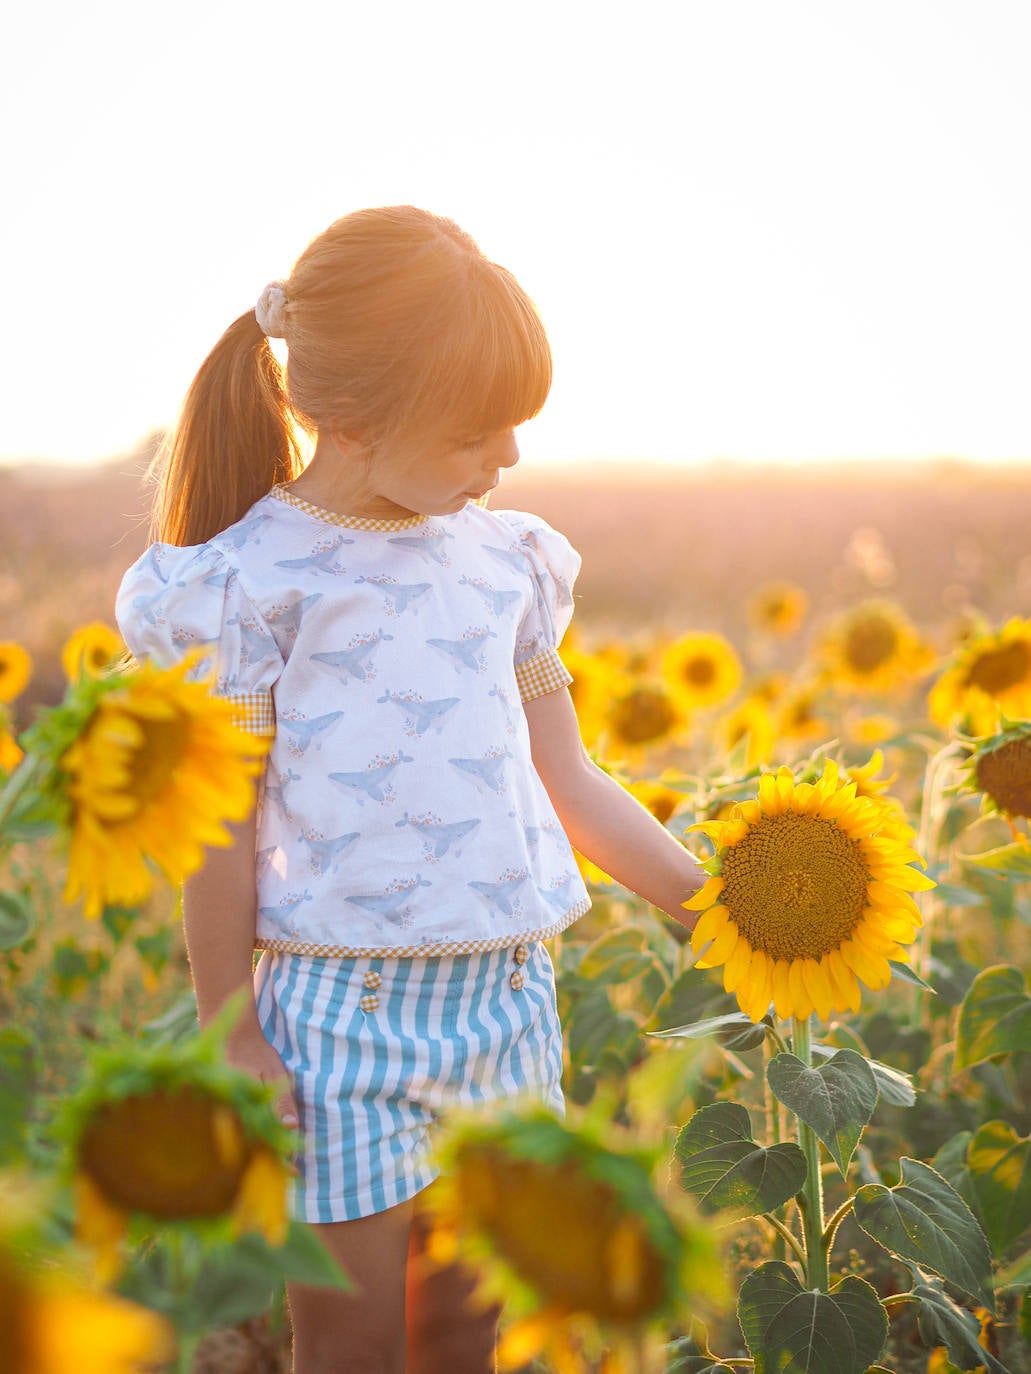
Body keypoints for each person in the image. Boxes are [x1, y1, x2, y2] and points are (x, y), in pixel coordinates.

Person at [115, 205, 705, 1374]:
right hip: (340, 1019)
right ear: (352, 416)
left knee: (463, 1334)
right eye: (479, 433)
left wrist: (718, 910)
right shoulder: (246, 583)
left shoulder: (507, 563)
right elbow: (221, 829)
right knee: (348, 1347)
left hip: (507, 1001)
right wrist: (235, 1031)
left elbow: (568, 777)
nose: (510, 461)